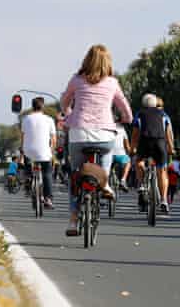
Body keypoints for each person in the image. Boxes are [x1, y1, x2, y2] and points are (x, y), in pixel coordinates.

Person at [60, 44, 133, 236]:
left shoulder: (76, 80)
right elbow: (125, 108)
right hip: (104, 134)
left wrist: (68, 114)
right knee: (107, 152)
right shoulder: (112, 83)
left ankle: (73, 221)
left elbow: (64, 101)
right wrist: (126, 119)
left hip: (79, 134)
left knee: (76, 176)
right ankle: (105, 182)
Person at [132, 93, 174, 213]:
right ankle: (164, 200)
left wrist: (132, 148)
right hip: (160, 143)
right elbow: (168, 133)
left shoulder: (140, 114)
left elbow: (135, 133)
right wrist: (171, 147)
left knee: (139, 161)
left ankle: (141, 184)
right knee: (162, 171)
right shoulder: (164, 115)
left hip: (144, 142)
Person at [21, 97, 57, 208]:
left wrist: (22, 150)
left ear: (32, 106)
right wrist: (52, 152)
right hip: (44, 152)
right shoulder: (49, 119)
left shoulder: (26, 119)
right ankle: (48, 199)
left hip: (29, 152)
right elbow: (54, 140)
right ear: (43, 106)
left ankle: (28, 180)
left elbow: (22, 137)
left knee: (28, 166)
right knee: (47, 173)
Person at [110, 121, 131, 192]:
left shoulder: (106, 127)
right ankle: (123, 180)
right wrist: (129, 154)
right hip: (120, 155)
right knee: (128, 162)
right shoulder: (122, 129)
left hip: (108, 155)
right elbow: (127, 146)